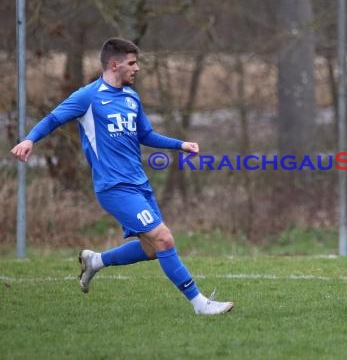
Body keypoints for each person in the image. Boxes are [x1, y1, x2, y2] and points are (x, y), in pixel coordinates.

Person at [11, 38, 234, 315]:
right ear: (114, 64)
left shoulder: (131, 97)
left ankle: (96, 261)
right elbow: (53, 119)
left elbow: (145, 135)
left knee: (153, 249)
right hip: (113, 187)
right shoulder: (88, 97)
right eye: (132, 63)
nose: (137, 68)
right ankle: (201, 304)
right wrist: (29, 140)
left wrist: (180, 144)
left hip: (139, 184)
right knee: (164, 238)